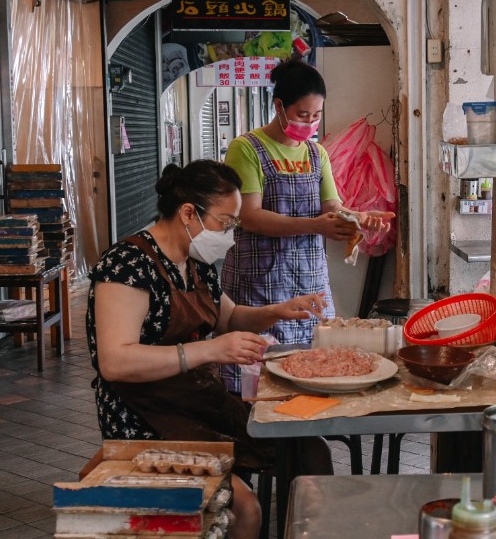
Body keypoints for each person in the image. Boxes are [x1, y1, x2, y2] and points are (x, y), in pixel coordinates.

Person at [86, 160, 329, 539]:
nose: (230, 234)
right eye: (226, 222)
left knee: (309, 449)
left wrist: (276, 311)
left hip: (197, 404)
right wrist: (208, 351)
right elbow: (115, 362)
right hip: (143, 421)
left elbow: (228, 320)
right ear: (188, 213)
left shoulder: (195, 264)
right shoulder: (127, 264)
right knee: (243, 508)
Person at [221, 59, 393, 393]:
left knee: (308, 365)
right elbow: (251, 216)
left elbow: (333, 208)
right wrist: (316, 225)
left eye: (316, 116)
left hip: (309, 276)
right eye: (303, 115)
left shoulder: (316, 155)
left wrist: (360, 218)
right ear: (279, 106)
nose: (311, 123)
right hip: (260, 276)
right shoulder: (247, 149)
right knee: (257, 369)